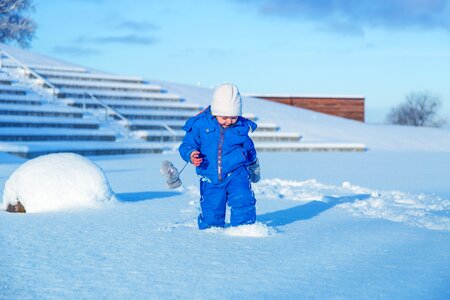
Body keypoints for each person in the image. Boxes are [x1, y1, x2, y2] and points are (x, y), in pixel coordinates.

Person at [179, 83, 260, 230]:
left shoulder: (241, 127)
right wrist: (191, 154)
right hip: (210, 175)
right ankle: (212, 232)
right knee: (212, 209)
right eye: (224, 117)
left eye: (233, 117)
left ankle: (245, 229)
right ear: (215, 111)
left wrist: (253, 166)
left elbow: (249, 148)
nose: (229, 121)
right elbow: (186, 145)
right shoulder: (200, 125)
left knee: (243, 199)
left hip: (237, 173)